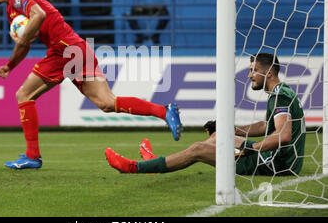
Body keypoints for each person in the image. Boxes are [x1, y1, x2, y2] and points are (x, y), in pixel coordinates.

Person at [0, 0, 183, 169]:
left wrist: (24, 36)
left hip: (63, 50)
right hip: (77, 48)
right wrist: (11, 65)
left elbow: (39, 15)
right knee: (107, 102)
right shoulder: (12, 10)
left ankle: (32, 156)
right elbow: (26, 42)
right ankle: (164, 111)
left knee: (24, 95)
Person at [106, 52, 306, 177]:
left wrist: (252, 148)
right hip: (275, 158)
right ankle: (160, 161)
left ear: (268, 73)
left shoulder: (280, 97)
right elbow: (265, 126)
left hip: (273, 163)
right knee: (219, 135)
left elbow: (283, 135)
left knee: (197, 150)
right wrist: (232, 129)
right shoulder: (281, 93)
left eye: (254, 70)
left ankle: (133, 167)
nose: (249, 75)